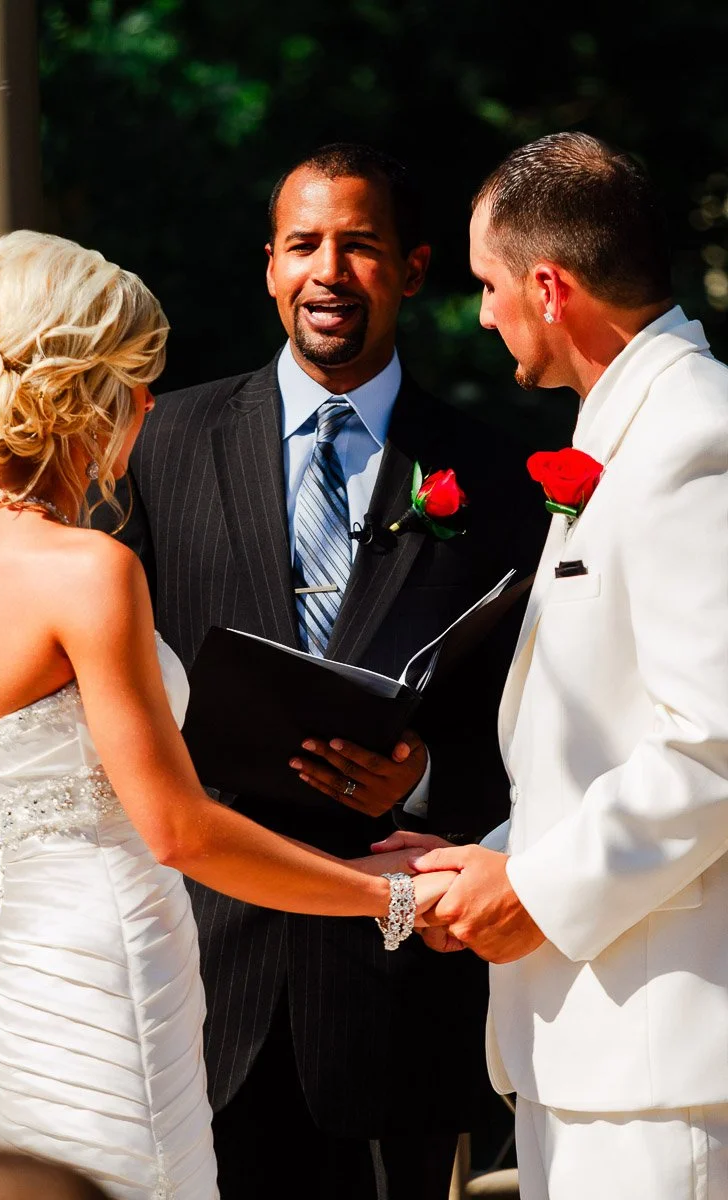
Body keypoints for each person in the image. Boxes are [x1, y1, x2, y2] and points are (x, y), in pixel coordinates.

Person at [0, 230, 455, 1200]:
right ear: (86, 391)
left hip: (10, 990)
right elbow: (175, 829)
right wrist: (387, 895)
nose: (149, 406)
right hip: (110, 986)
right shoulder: (89, 571)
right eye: (136, 380)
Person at [104, 143, 545, 1200]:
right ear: (268, 265)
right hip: (205, 971)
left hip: (398, 981)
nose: (328, 271)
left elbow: (530, 718)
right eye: (304, 244)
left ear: (412, 267)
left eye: (359, 245)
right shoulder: (164, 445)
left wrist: (427, 783)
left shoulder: (497, 471)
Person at [377, 132, 728, 1199]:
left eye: (487, 286)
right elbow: (606, 741)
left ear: (547, 286)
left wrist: (528, 888)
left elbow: (709, 744)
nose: (481, 314)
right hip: (587, 1054)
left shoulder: (689, 438)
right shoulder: (634, 427)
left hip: (658, 1064)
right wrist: (476, 858)